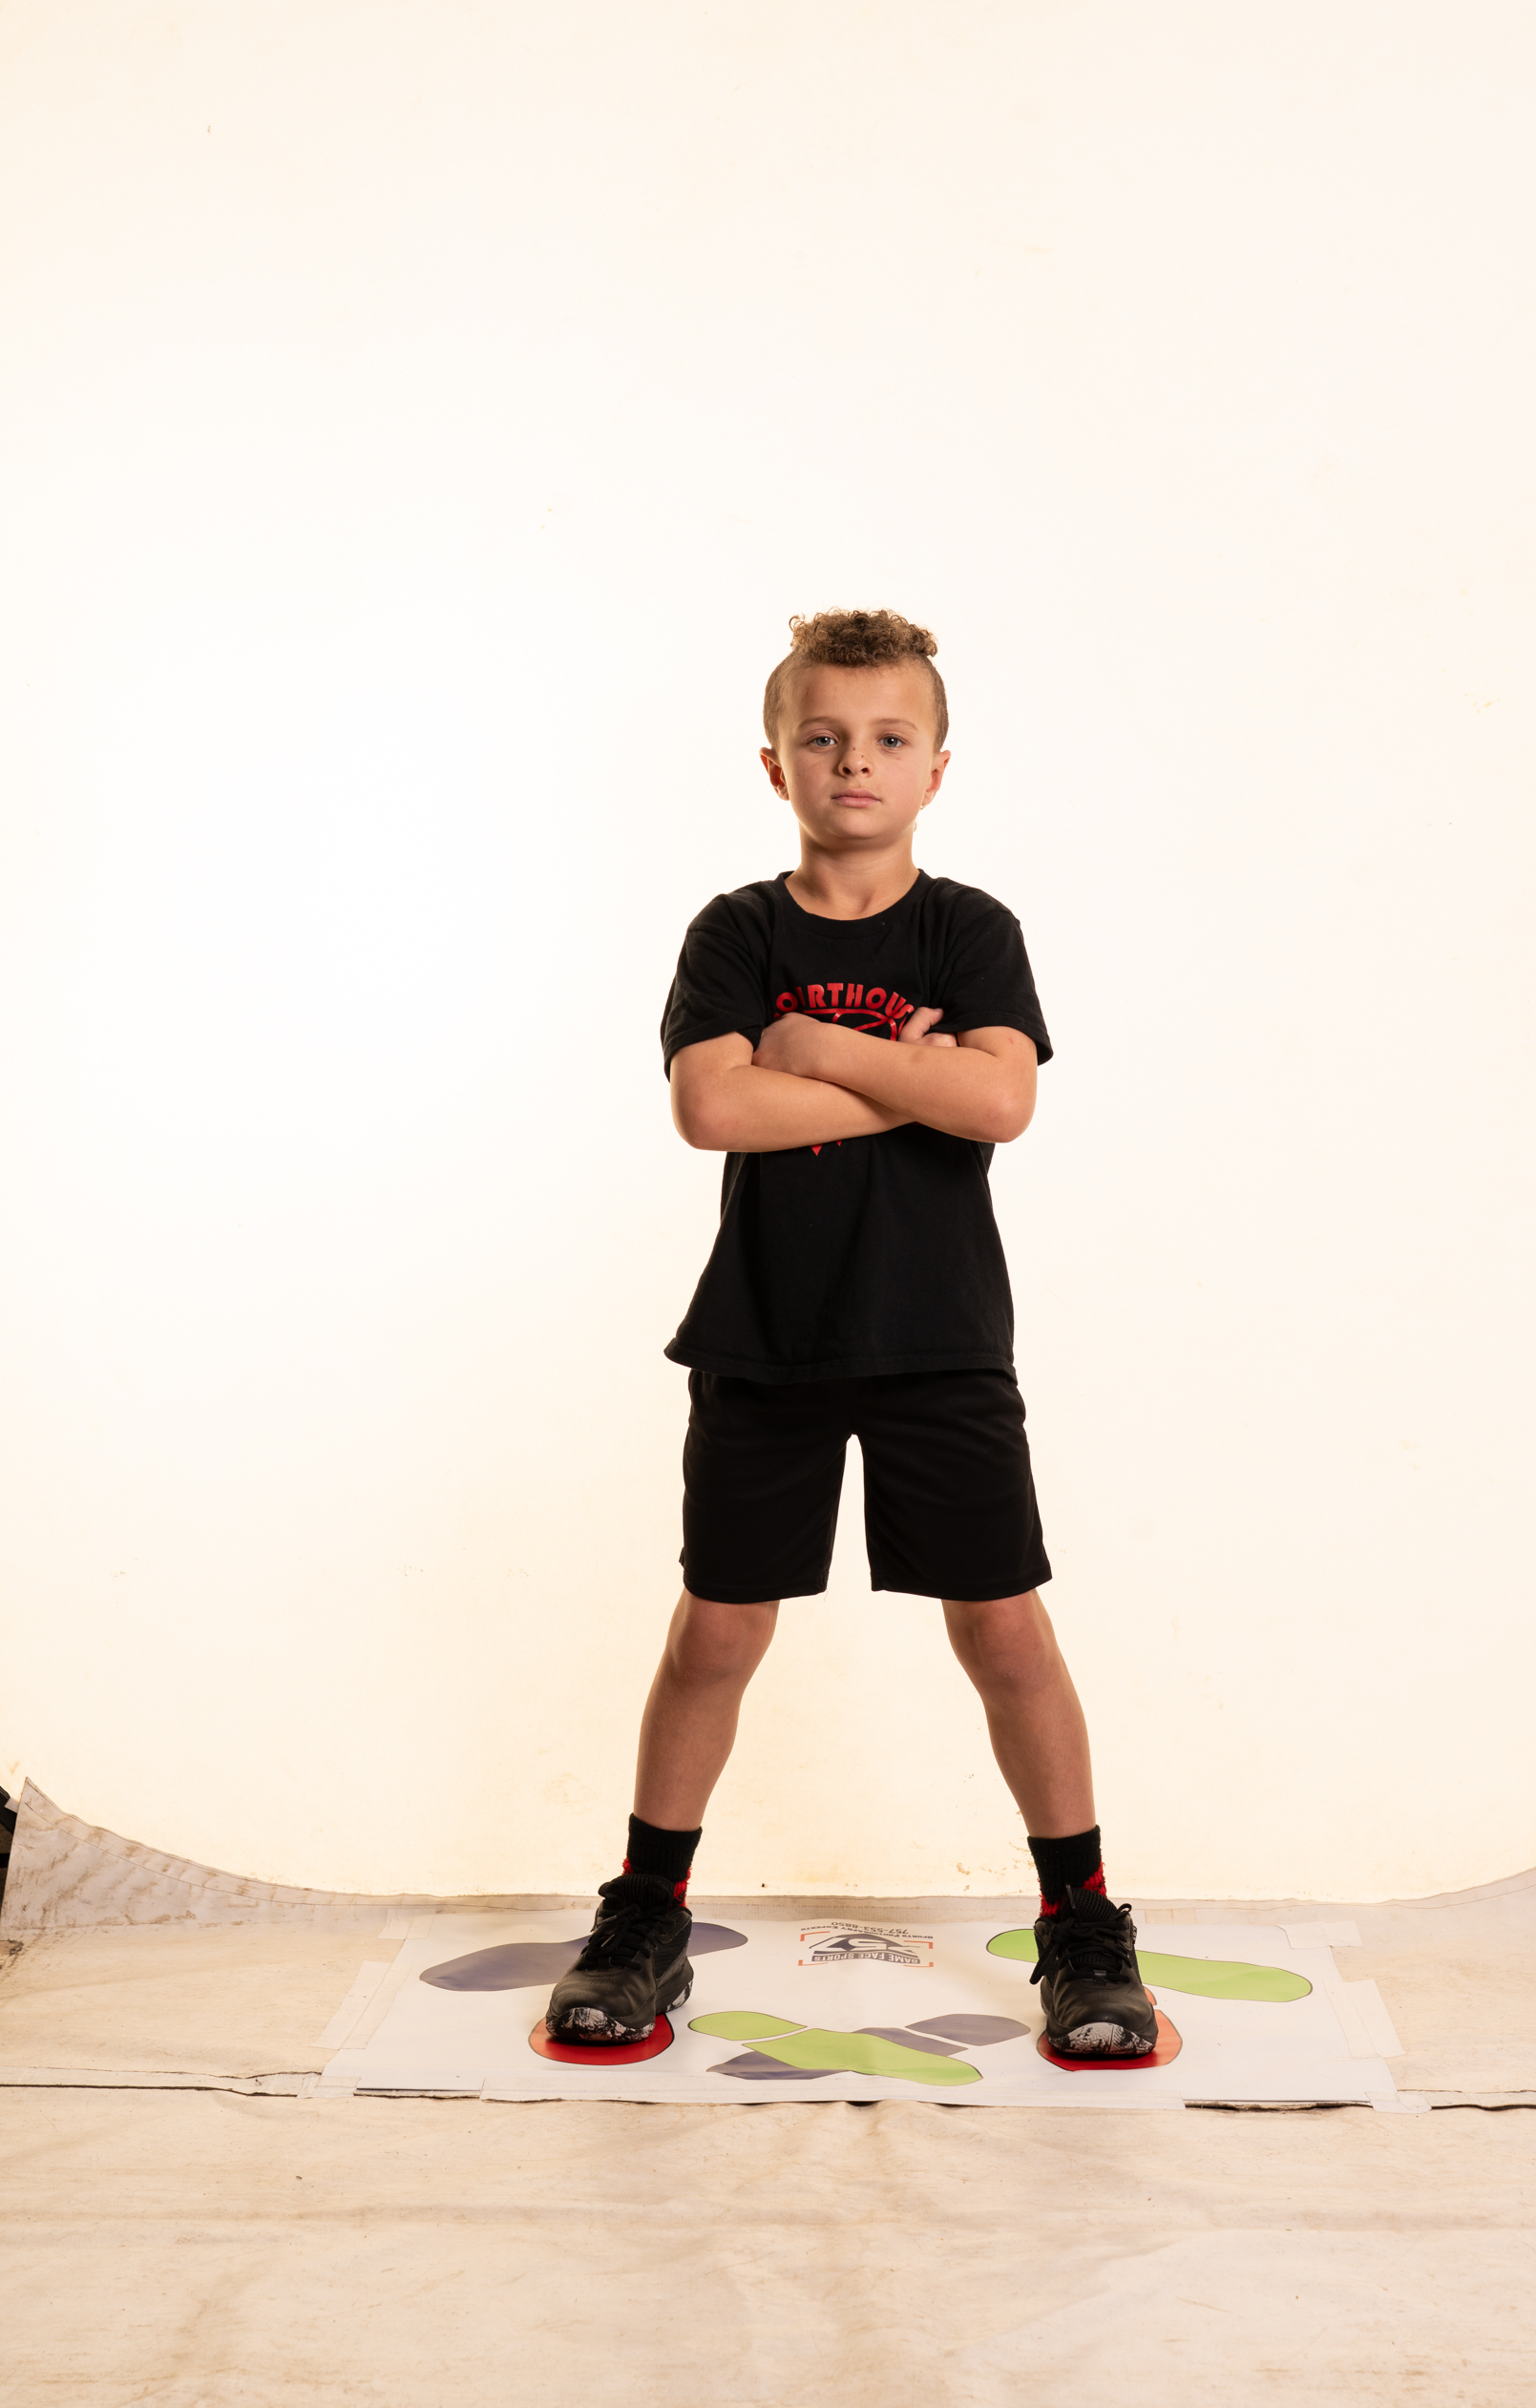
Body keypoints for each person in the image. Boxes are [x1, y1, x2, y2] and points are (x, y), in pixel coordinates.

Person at [544, 609, 1154, 2058]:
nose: (854, 761)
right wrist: (910, 1074)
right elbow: (714, 1108)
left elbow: (1001, 1100)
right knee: (716, 1631)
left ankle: (1081, 1924)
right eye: (822, 737)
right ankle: (644, 1912)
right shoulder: (737, 931)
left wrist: (815, 1050)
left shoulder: (969, 928)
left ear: (937, 765)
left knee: (1002, 1626)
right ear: (777, 764)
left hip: (940, 1336)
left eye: (888, 737)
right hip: (765, 1334)